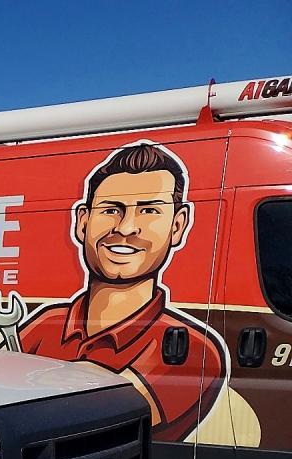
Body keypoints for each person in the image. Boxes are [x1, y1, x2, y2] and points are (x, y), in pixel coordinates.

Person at [12, 142, 226, 443]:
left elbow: (97, 413)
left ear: (178, 226)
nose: (126, 228)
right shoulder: (46, 323)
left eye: (149, 210)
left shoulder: (189, 347)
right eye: (111, 210)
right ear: (83, 222)